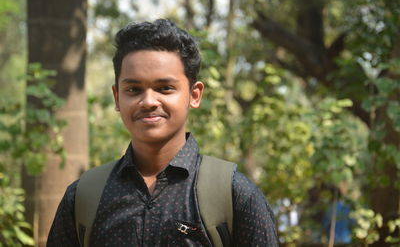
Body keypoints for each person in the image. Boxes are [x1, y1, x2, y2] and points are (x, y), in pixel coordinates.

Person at [47, 19, 278, 246]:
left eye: (165, 88)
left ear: (194, 95)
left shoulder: (234, 195)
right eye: (134, 89)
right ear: (117, 97)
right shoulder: (84, 197)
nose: (148, 101)